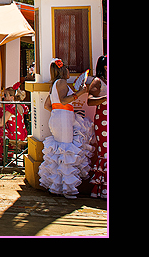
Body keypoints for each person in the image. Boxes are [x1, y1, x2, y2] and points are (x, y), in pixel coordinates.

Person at [38, 58, 90, 198]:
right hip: (63, 119)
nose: (69, 72)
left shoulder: (54, 84)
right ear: (62, 70)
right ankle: (66, 189)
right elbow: (63, 100)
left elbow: (47, 105)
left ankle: (57, 187)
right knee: (66, 151)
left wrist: (58, 112)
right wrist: (80, 92)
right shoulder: (61, 83)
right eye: (67, 68)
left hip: (58, 118)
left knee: (59, 153)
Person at [0, 84, 28, 164]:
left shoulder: (11, 107)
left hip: (14, 135)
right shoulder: (20, 106)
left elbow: (1, 123)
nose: (3, 97)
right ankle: (4, 156)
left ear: (12, 97)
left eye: (5, 95)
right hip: (22, 134)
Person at [87, 55, 107, 199]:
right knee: (105, 152)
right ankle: (102, 189)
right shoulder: (97, 81)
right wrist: (105, 98)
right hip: (103, 122)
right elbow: (90, 101)